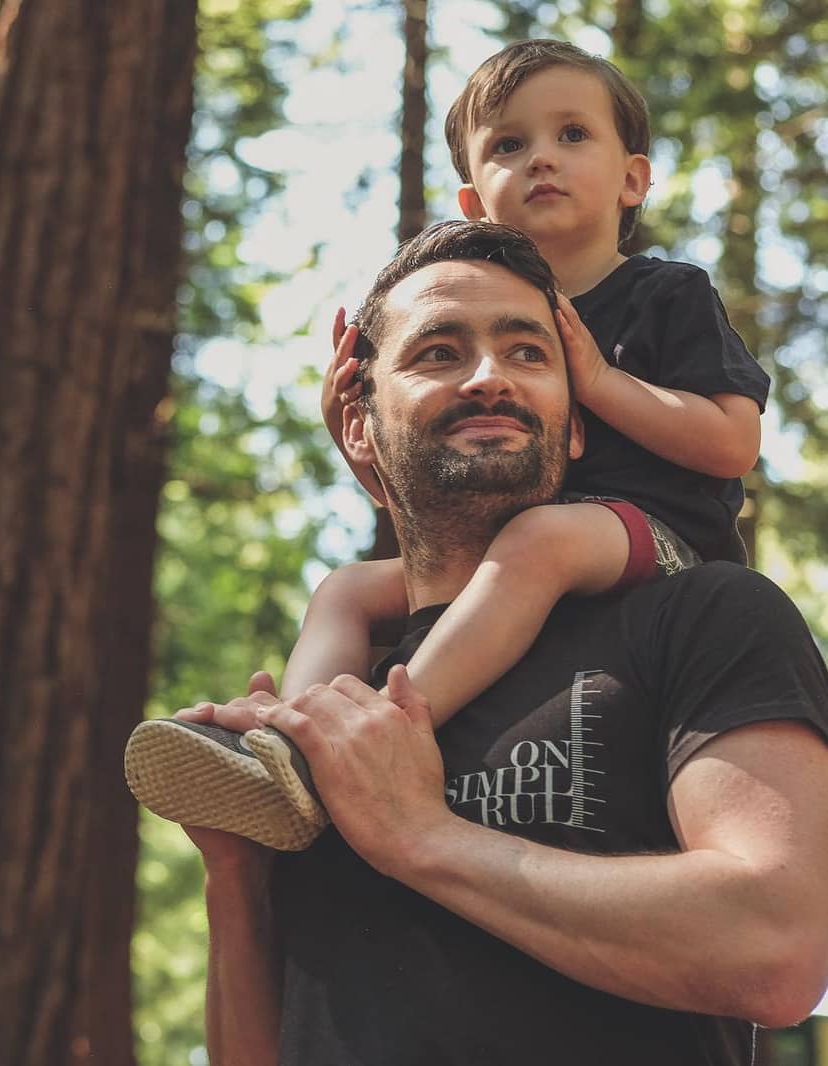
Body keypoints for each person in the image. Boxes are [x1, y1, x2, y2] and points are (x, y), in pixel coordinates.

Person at [176, 221, 828, 1065]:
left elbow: (776, 951)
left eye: (527, 353)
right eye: (439, 354)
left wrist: (422, 838)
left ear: (579, 424)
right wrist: (236, 879)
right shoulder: (323, 713)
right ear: (361, 428)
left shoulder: (701, 615)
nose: (489, 377)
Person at [125, 39, 771, 848]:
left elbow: (732, 444)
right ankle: (290, 745)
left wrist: (600, 382)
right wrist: (359, 441)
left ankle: (385, 727)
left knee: (543, 537)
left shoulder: (666, 295)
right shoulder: (485, 323)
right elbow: (441, 515)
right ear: (474, 202)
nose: (542, 159)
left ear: (633, 179)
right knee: (349, 589)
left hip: (662, 538)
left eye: (573, 135)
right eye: (509, 144)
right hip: (523, 549)